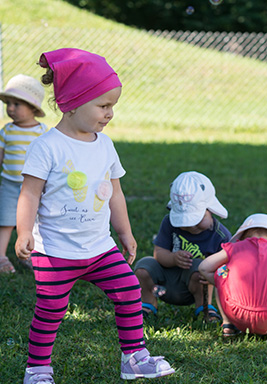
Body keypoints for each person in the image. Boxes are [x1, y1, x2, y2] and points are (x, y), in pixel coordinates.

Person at [15, 48, 175, 384]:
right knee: (51, 311)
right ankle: (38, 369)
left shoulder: (105, 145)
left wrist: (126, 233)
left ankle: (133, 359)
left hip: (100, 247)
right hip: (55, 252)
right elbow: (29, 192)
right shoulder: (47, 147)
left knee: (129, 291)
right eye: (103, 106)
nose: (110, 114)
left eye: (113, 105)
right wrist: (24, 231)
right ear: (72, 103)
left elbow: (114, 192)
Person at [134, 171, 231, 321]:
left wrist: (213, 274)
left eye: (198, 219)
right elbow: (158, 253)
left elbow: (229, 266)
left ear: (211, 210)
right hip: (167, 279)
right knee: (143, 266)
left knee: (201, 266)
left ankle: (205, 307)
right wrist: (173, 258)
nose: (192, 226)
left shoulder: (221, 236)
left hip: (196, 284)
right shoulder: (169, 223)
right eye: (185, 222)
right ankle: (148, 303)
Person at [199, 213, 267, 341]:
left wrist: (220, 283)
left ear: (243, 237)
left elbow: (204, 267)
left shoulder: (235, 248)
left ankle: (228, 325)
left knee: (222, 275)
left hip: (236, 314)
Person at [0, 74, 47, 273]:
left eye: (17, 104)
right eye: (8, 103)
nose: (10, 108)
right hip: (10, 185)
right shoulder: (7, 131)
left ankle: (30, 254)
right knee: (6, 221)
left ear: (33, 108)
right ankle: (1, 256)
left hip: (34, 187)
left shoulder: (42, 132)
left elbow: (48, 159)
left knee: (35, 221)